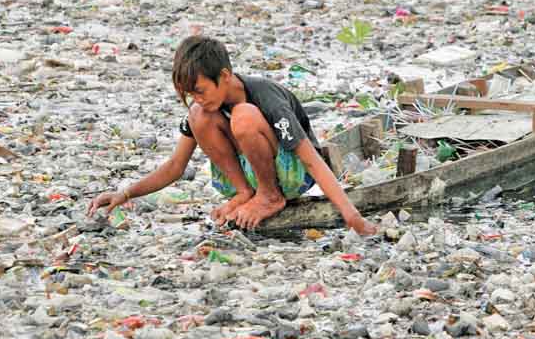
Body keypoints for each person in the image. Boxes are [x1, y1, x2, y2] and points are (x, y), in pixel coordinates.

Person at [87, 36, 377, 235]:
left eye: (200, 91)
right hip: (250, 174)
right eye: (190, 94)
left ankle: (269, 196)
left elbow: (312, 160)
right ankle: (245, 192)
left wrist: (352, 216)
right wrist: (124, 194)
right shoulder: (204, 107)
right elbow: (176, 166)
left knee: (244, 116)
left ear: (224, 76)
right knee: (198, 117)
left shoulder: (266, 97)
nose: (197, 98)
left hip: (292, 174)